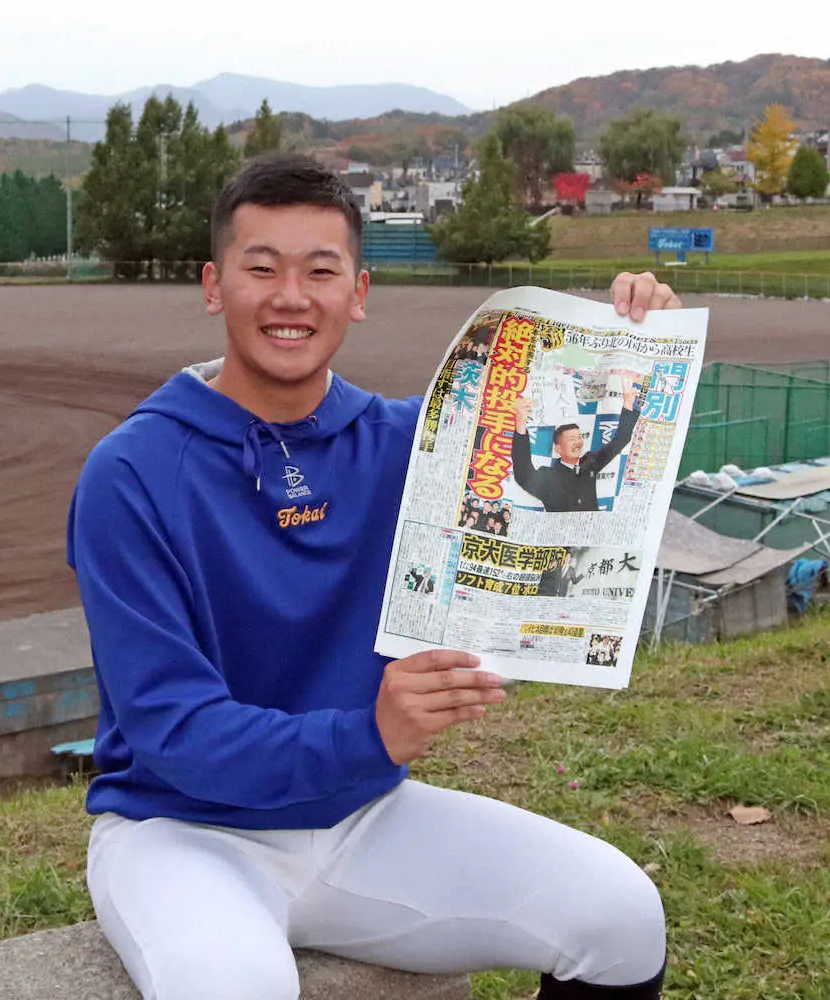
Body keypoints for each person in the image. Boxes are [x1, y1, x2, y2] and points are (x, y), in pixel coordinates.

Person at [67, 153, 681, 1000]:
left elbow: (572, 483)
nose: (292, 297)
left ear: (357, 293)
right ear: (215, 286)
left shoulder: (411, 443)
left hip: (362, 811)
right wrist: (371, 735)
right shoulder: (130, 472)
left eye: (321, 271)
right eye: (262, 268)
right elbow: (172, 728)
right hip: (179, 828)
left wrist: (640, 348)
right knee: (233, 984)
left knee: (621, 917)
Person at [511, 376, 640, 513]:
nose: (578, 442)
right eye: (571, 439)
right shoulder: (548, 476)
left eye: (579, 437)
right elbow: (524, 474)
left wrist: (627, 401)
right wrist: (520, 422)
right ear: (558, 448)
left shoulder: (590, 462)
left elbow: (620, 441)